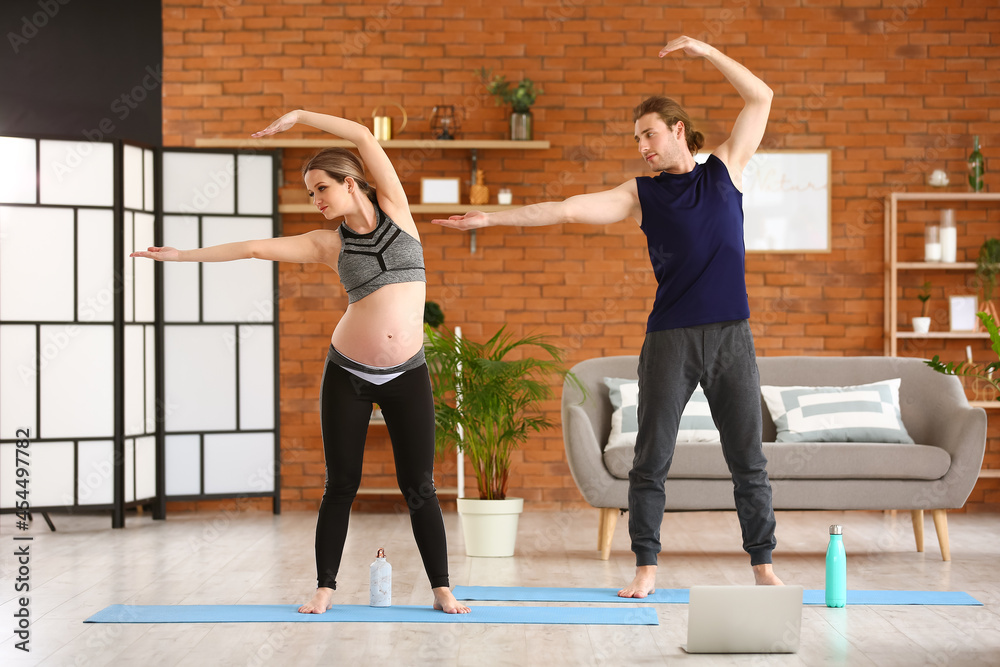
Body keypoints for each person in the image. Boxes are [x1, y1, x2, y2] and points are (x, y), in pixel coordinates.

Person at [434, 36, 783, 596]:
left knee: (748, 458)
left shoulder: (725, 170)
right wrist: (494, 219)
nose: (642, 145)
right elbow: (568, 210)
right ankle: (646, 567)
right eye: (636, 138)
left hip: (731, 337)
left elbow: (761, 97)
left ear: (676, 129)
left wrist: (707, 52)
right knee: (652, 459)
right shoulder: (640, 194)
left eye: (649, 133)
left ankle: (763, 564)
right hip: (669, 338)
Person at [132, 109, 471, 614]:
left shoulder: (399, 211)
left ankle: (442, 588)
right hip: (349, 375)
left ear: (350, 183)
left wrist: (298, 118)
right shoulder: (327, 244)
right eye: (310, 193)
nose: (315, 200)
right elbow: (252, 248)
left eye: (320, 189)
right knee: (342, 484)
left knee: (419, 486)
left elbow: (359, 134)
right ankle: (325, 588)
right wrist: (182, 256)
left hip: (408, 374)